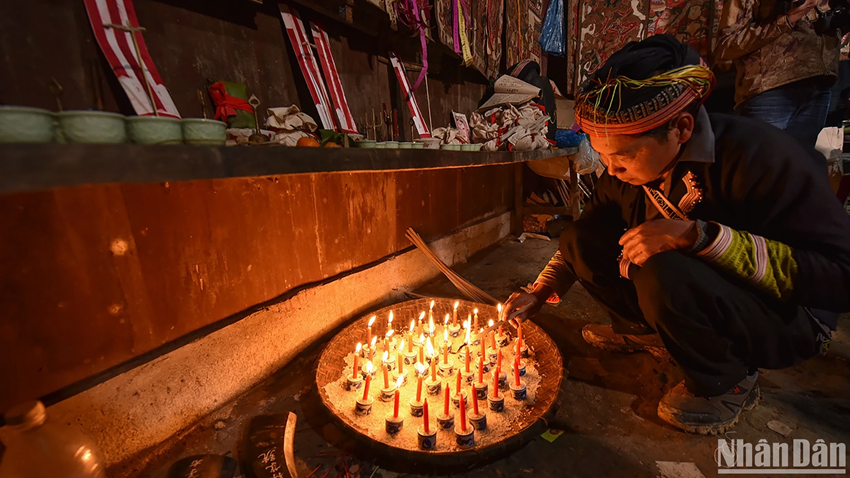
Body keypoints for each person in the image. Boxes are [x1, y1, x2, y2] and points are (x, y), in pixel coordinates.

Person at [502, 35, 850, 434]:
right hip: (699, 289)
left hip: (785, 319)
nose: (612, 169)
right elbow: (586, 235)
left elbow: (840, 278)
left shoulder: (761, 157)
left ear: (682, 128)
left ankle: (727, 379)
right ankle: (647, 333)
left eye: (625, 155)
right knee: (579, 237)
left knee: (663, 270)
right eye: (603, 155)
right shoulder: (623, 174)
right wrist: (539, 291)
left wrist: (699, 237)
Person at [714, 0, 842, 147]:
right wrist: (787, 19)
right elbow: (725, 45)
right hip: (769, 89)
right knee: (764, 158)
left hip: (819, 86)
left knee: (800, 160)